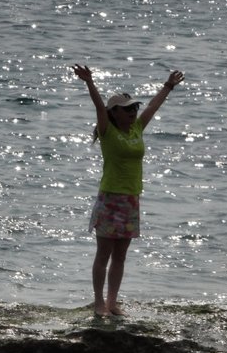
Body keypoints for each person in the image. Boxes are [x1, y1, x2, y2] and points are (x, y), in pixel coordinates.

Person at [72, 64, 184, 317]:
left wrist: (168, 86)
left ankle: (113, 302)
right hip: (110, 198)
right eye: (127, 109)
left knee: (120, 256)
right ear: (115, 113)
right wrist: (89, 82)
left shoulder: (136, 128)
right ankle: (99, 303)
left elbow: (153, 107)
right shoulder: (107, 132)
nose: (134, 112)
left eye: (134, 107)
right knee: (103, 254)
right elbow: (99, 107)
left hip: (131, 199)